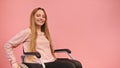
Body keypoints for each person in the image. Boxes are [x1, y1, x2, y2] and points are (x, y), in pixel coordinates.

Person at [4, 7, 82, 68]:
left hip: (50, 60)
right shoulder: (28, 31)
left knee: (77, 64)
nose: (41, 18)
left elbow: (50, 49)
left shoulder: (45, 33)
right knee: (70, 66)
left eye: (43, 17)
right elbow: (8, 45)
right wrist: (14, 63)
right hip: (37, 62)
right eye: (38, 15)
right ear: (33, 17)